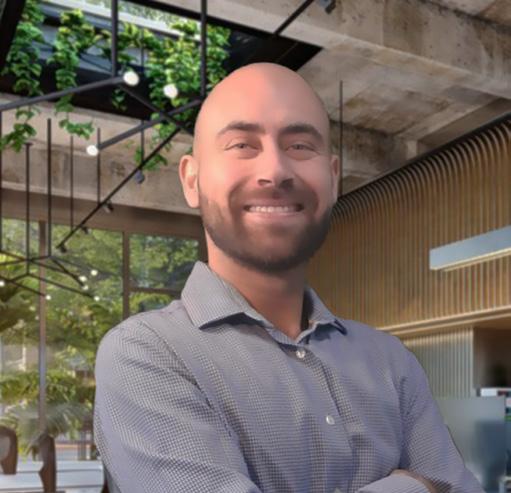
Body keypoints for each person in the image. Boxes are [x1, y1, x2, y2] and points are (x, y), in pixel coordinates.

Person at [93, 63, 484, 493]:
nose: (276, 170)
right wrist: (415, 486)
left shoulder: (391, 361)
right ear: (191, 179)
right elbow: (441, 483)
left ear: (333, 178)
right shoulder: (145, 354)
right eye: (242, 145)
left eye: (300, 145)